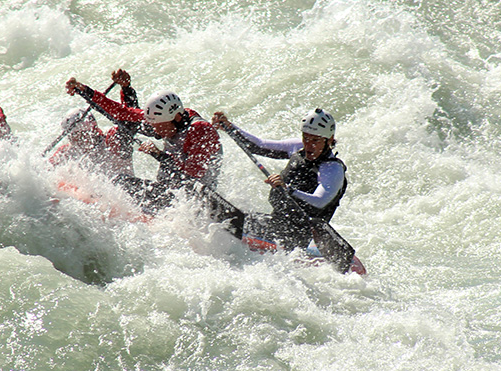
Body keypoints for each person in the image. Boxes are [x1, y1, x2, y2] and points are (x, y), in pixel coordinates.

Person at [65, 75, 222, 211]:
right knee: (121, 181)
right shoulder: (167, 118)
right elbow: (121, 112)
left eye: (159, 127)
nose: (156, 132)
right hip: (171, 191)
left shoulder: (201, 131)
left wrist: (158, 154)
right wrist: (83, 90)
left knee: (123, 182)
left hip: (195, 197)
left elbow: (193, 174)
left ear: (177, 119)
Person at [211, 107, 347, 251]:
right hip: (276, 223)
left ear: (329, 140)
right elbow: (258, 146)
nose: (309, 145)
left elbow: (319, 202)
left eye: (315, 140)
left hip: (298, 236)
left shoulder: (332, 169)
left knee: (230, 224)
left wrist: (288, 189)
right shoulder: (298, 148)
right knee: (228, 220)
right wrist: (230, 128)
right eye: (305, 138)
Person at [50, 70, 138, 178]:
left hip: (124, 189)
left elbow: (130, 120)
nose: (77, 141)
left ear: (94, 130)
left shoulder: (112, 142)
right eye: (73, 136)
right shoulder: (65, 152)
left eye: (82, 135)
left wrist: (126, 88)